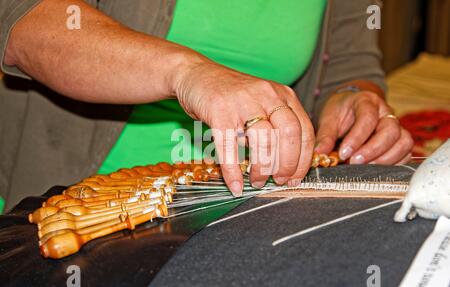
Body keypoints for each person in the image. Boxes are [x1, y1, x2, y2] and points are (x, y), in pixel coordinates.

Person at [0, 0, 413, 213]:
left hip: (257, 202)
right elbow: (24, 24)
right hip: (90, 201)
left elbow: (349, 63)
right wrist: (188, 73)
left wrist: (357, 97)